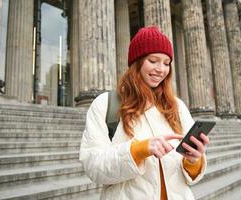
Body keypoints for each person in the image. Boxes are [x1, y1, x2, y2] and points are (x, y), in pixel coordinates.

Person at [79, 26, 210, 200]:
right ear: (137, 62)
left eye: (166, 63)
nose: (161, 69)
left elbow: (187, 175)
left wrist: (194, 160)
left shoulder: (177, 107)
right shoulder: (106, 104)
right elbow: (93, 166)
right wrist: (139, 150)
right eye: (153, 60)